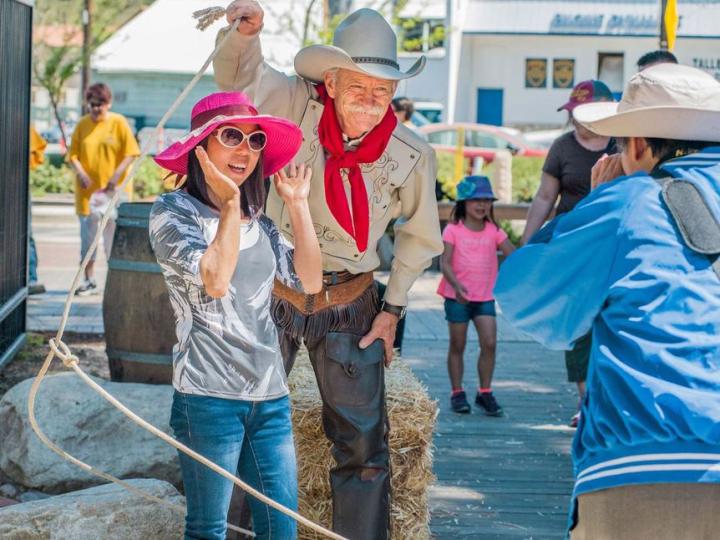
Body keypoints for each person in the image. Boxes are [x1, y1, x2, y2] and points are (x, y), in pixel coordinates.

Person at [213, 4, 443, 538]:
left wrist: (393, 311)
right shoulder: (294, 104)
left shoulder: (412, 153)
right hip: (272, 288)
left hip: (351, 299)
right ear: (331, 82)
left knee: (363, 440)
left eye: (383, 90)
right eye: (359, 86)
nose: (370, 100)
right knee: (247, 424)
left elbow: (420, 236)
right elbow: (241, 77)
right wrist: (245, 35)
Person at [495, 63, 720, 539]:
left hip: (649, 464)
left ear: (636, 145)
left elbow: (528, 301)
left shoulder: (629, 201)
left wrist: (595, 205)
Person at [149, 91, 322, 540]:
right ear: (200, 147)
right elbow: (215, 280)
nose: (246, 149)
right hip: (206, 399)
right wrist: (227, 206)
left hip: (270, 397)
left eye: (256, 139)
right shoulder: (172, 213)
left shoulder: (259, 221)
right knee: (209, 530)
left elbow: (310, 283)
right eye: (231, 135)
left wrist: (299, 207)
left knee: (280, 529)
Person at [520, 79, 616, 427]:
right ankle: (585, 400)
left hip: (612, 248)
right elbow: (545, 198)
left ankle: (608, 397)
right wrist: (528, 247)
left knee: (611, 320)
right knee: (577, 323)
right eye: (572, 113)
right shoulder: (563, 147)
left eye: (582, 112)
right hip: (572, 251)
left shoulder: (625, 143)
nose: (576, 119)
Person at [437, 176, 515, 415]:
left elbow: (513, 255)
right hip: (457, 296)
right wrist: (457, 286)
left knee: (490, 343)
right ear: (464, 203)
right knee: (457, 344)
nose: (482, 205)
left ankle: (485, 392)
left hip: (484, 297)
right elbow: (445, 263)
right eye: (476, 201)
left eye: (486, 201)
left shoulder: (494, 231)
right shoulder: (453, 230)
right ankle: (457, 392)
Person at [68, 83, 140, 295]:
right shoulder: (82, 125)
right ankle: (89, 280)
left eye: (100, 104)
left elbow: (130, 153)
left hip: (114, 193)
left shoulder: (118, 123)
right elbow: (73, 155)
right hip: (88, 195)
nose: (96, 109)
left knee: (114, 240)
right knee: (88, 241)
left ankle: (115, 282)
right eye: (92, 104)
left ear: (108, 104)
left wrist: (116, 176)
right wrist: (81, 173)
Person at [28, 126, 48, 295]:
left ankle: (30, 277)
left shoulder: (21, 123)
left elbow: (37, 153)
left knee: (25, 234)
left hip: (15, 185)